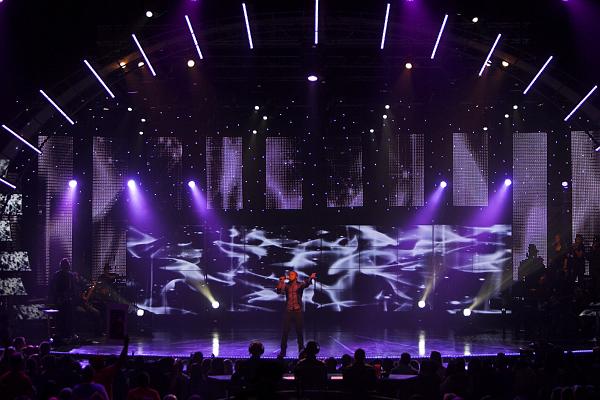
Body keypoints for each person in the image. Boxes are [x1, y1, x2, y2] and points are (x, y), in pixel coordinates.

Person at [275, 271, 317, 357]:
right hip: (288, 311)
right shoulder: (286, 285)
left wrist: (311, 277)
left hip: (298, 312)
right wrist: (280, 282)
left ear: (296, 276)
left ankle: (301, 352)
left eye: (292, 274)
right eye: (289, 274)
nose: (290, 276)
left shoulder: (300, 284)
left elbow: (307, 283)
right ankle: (283, 352)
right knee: (285, 332)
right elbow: (279, 291)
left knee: (299, 333)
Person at [49, 258, 77, 341]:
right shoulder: (57, 275)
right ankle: (61, 334)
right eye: (65, 265)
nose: (67, 267)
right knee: (61, 318)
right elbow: (53, 288)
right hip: (60, 300)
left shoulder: (70, 275)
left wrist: (70, 296)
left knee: (69, 318)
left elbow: (73, 288)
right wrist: (59, 298)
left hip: (68, 300)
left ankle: (68, 334)